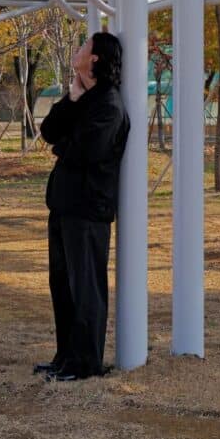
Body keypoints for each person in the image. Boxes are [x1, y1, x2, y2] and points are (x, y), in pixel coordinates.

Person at [34, 30, 130, 382]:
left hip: (88, 210)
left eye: (83, 47)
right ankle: (66, 357)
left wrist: (62, 146)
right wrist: (71, 99)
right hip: (64, 206)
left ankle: (86, 363)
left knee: (86, 287)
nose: (77, 50)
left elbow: (83, 151)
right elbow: (49, 131)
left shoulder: (109, 104)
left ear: (95, 58)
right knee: (62, 285)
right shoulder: (84, 98)